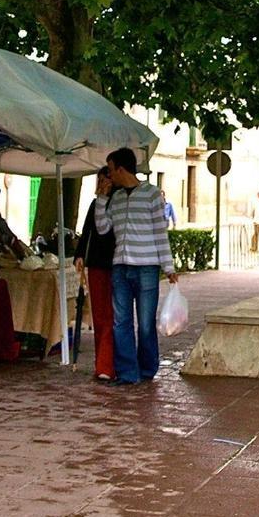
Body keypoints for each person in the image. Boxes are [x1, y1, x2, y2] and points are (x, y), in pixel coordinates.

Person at [94, 147, 177, 385]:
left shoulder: (151, 194)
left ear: (121, 169)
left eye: (110, 170)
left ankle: (148, 369)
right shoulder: (116, 198)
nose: (109, 175)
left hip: (147, 267)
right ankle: (128, 373)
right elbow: (102, 228)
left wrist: (168, 266)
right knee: (122, 322)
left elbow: (160, 232)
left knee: (146, 323)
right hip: (120, 266)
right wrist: (102, 198)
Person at [74, 167, 116, 382]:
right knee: (99, 315)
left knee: (111, 316)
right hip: (97, 264)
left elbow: (105, 229)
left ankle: (108, 364)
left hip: (116, 264)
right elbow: (87, 229)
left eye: (105, 179)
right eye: (99, 179)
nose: (101, 184)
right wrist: (80, 254)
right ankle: (102, 362)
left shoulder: (118, 203)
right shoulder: (95, 203)